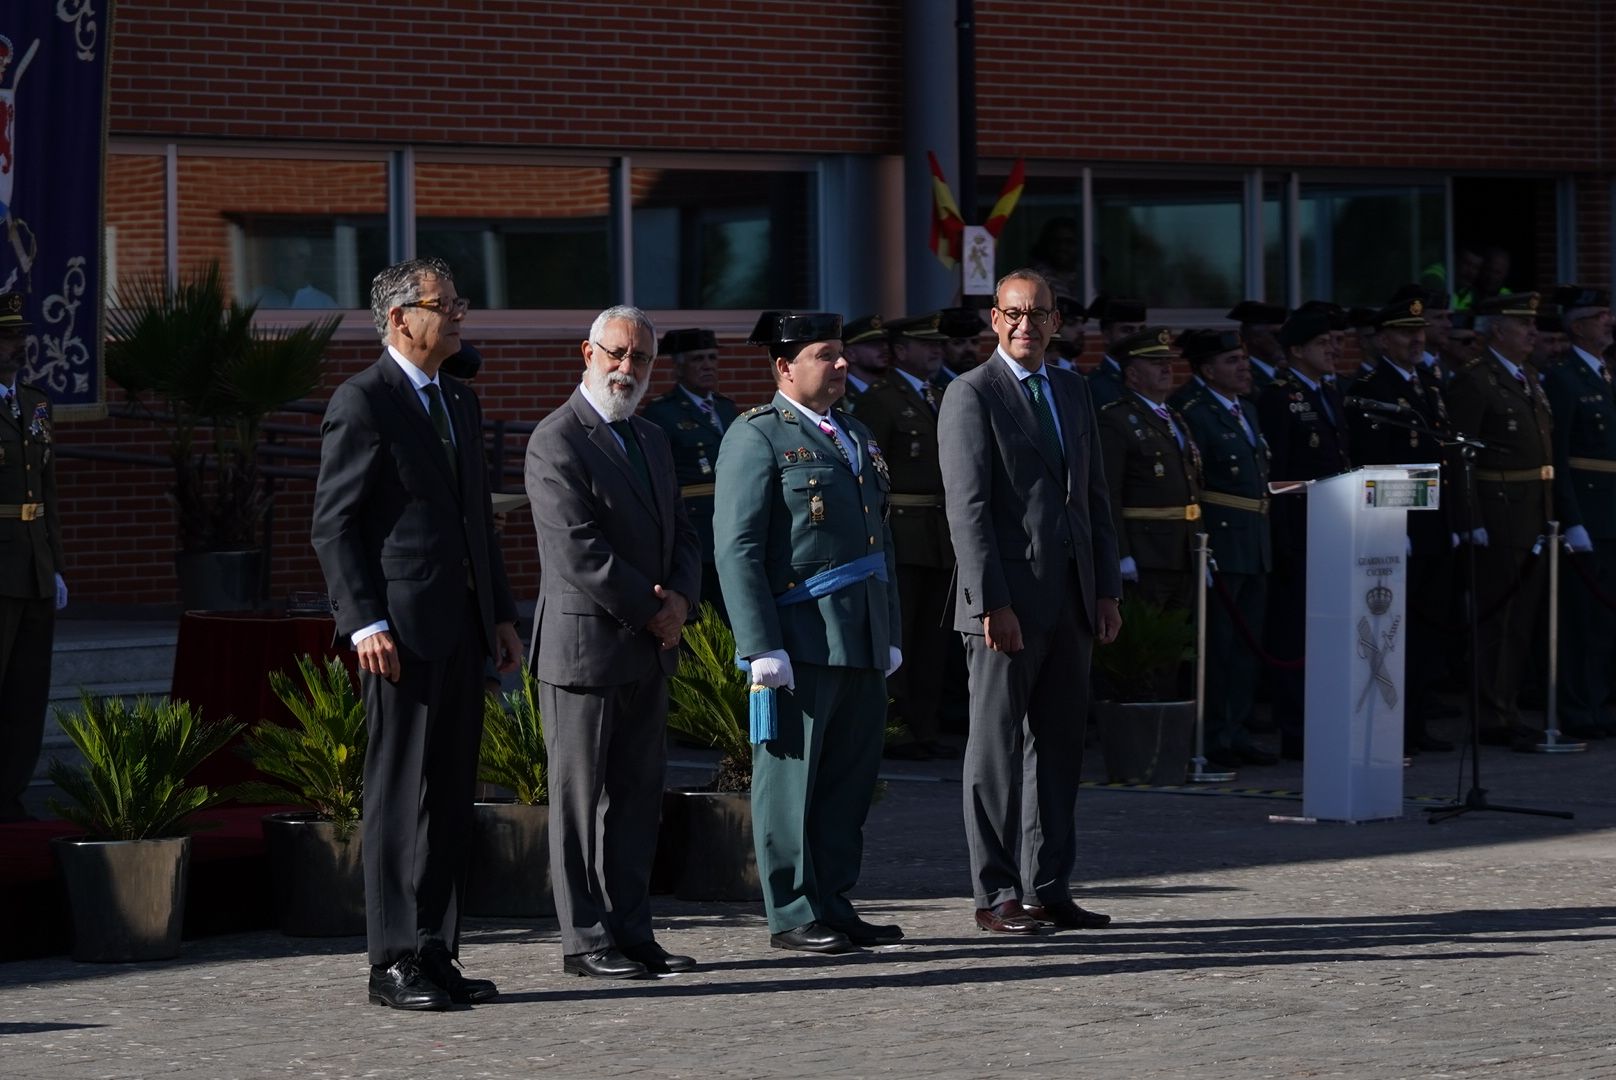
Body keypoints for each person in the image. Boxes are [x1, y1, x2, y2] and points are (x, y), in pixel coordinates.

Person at [311, 257, 523, 1010]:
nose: (461, 313)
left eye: (461, 301)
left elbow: (477, 523)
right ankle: (391, 960)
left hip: (462, 628)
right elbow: (333, 524)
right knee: (400, 797)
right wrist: (362, 618)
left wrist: (500, 613)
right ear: (401, 318)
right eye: (447, 303)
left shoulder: (458, 401)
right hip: (398, 633)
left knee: (452, 796)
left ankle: (436, 950)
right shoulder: (363, 400)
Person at [937, 268, 1122, 935]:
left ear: (1057, 322)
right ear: (994, 320)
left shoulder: (1072, 390)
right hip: (1005, 607)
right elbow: (970, 510)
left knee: (1061, 749)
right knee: (995, 753)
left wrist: (1104, 589)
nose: (1026, 325)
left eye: (1039, 314)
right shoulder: (970, 394)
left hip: (1070, 600)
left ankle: (1050, 886)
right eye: (1014, 313)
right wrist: (992, 602)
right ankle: (996, 894)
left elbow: (1094, 496)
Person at [713, 310, 903, 955]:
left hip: (861, 636)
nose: (842, 364)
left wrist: (891, 629)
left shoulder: (854, 433)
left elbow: (881, 543)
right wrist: (759, 645)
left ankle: (834, 900)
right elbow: (737, 549)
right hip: (800, 636)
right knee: (791, 781)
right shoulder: (758, 437)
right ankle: (793, 910)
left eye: (843, 353)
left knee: (847, 780)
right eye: (826, 354)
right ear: (784, 367)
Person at [525, 304, 702, 979]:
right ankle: (586, 940)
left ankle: (633, 930)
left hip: (649, 649)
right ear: (587, 353)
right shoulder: (557, 439)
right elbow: (576, 550)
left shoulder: (652, 438)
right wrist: (651, 610)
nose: (627, 369)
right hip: (585, 654)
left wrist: (681, 600)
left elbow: (682, 532)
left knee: (636, 800)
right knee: (578, 805)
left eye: (641, 359)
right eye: (616, 354)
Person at [1347, 295, 1456, 755]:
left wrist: (1449, 519)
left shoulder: (1427, 382)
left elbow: (1439, 453)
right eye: (1405, 333)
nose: (1417, 339)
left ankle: (1417, 722)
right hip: (1395, 524)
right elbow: (1373, 461)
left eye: (1420, 331)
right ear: (1383, 338)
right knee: (1395, 631)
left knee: (1428, 627)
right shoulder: (1372, 384)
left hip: (1430, 520)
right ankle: (1394, 726)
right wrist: (1397, 527)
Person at [1445, 292, 1552, 746]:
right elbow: (1456, 455)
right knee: (1499, 617)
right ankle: (1491, 715)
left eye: (1533, 324)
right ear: (1496, 331)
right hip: (1500, 507)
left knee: (1523, 616)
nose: (1532, 332)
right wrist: (1468, 516)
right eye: (1522, 325)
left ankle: (1507, 708)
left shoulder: (1526, 376)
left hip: (1533, 506)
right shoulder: (1476, 380)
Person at [853, 312, 957, 761]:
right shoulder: (882, 399)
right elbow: (870, 471)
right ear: (900, 351)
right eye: (925, 344)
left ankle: (925, 726)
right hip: (902, 530)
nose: (936, 350)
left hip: (939, 532)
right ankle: (895, 730)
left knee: (934, 640)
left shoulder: (938, 394)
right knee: (901, 636)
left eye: (938, 344)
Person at [1177, 328, 1276, 768]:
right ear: (1207, 369)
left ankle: (1235, 730)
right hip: (1220, 539)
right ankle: (1211, 735)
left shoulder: (1247, 411)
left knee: (1244, 647)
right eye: (1233, 360)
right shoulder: (1193, 412)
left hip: (1254, 539)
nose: (1244, 367)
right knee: (1216, 646)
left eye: (1244, 359)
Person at [1258, 309, 1352, 760]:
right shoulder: (1279, 397)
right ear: (1296, 351)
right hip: (1300, 529)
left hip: (1337, 529)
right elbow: (1275, 476)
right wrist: (1285, 538)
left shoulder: (1332, 392)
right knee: (1294, 635)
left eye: (1336, 342)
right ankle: (1295, 728)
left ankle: (1326, 717)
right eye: (1323, 343)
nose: (1333, 350)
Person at [0, 291, 65, 822]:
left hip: (34, 564)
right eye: (6, 338)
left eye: (19, 336)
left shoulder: (35, 404)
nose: (17, 346)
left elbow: (47, 490)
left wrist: (57, 563)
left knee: (26, 692)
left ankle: (9, 792)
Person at [1542, 286, 1616, 738]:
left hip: (1610, 513)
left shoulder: (1603, 375)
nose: (1609, 321)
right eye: (1600, 315)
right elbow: (1560, 455)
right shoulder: (1564, 378)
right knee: (1581, 620)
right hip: (1588, 514)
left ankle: (1597, 703)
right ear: (1577, 325)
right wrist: (1572, 520)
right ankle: (1576, 708)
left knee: (1604, 621)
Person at [1098, 327, 1202, 613]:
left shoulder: (1174, 418)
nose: (1167, 368)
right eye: (1157, 363)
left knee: (1180, 645)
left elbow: (1191, 487)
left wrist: (1201, 547)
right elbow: (1108, 493)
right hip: (1146, 554)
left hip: (1184, 553)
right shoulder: (1116, 420)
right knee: (1147, 646)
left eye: (1168, 362)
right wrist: (1121, 554)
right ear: (1132, 374)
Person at [642, 327, 740, 619]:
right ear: (679, 366)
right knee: (701, 613)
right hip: (694, 525)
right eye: (698, 359)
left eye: (712, 358)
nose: (708, 365)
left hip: (731, 521)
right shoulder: (661, 414)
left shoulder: (726, 408)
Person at [1084, 295, 1146, 408]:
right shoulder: (1091, 386)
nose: (1137, 337)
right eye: (1127, 330)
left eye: (1142, 330)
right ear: (1107, 335)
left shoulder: (1149, 378)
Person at [1227, 300, 1288, 398]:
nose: (1284, 341)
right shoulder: (1241, 377)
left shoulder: (1287, 374)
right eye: (1277, 335)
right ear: (1253, 337)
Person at [840, 314, 888, 407]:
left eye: (884, 343)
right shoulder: (839, 393)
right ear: (850, 354)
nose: (884, 348)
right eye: (874, 344)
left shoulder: (892, 390)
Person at [938, 306, 989, 382]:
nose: (970, 349)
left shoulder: (988, 381)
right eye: (958, 343)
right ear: (942, 347)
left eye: (974, 342)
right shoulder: (932, 385)